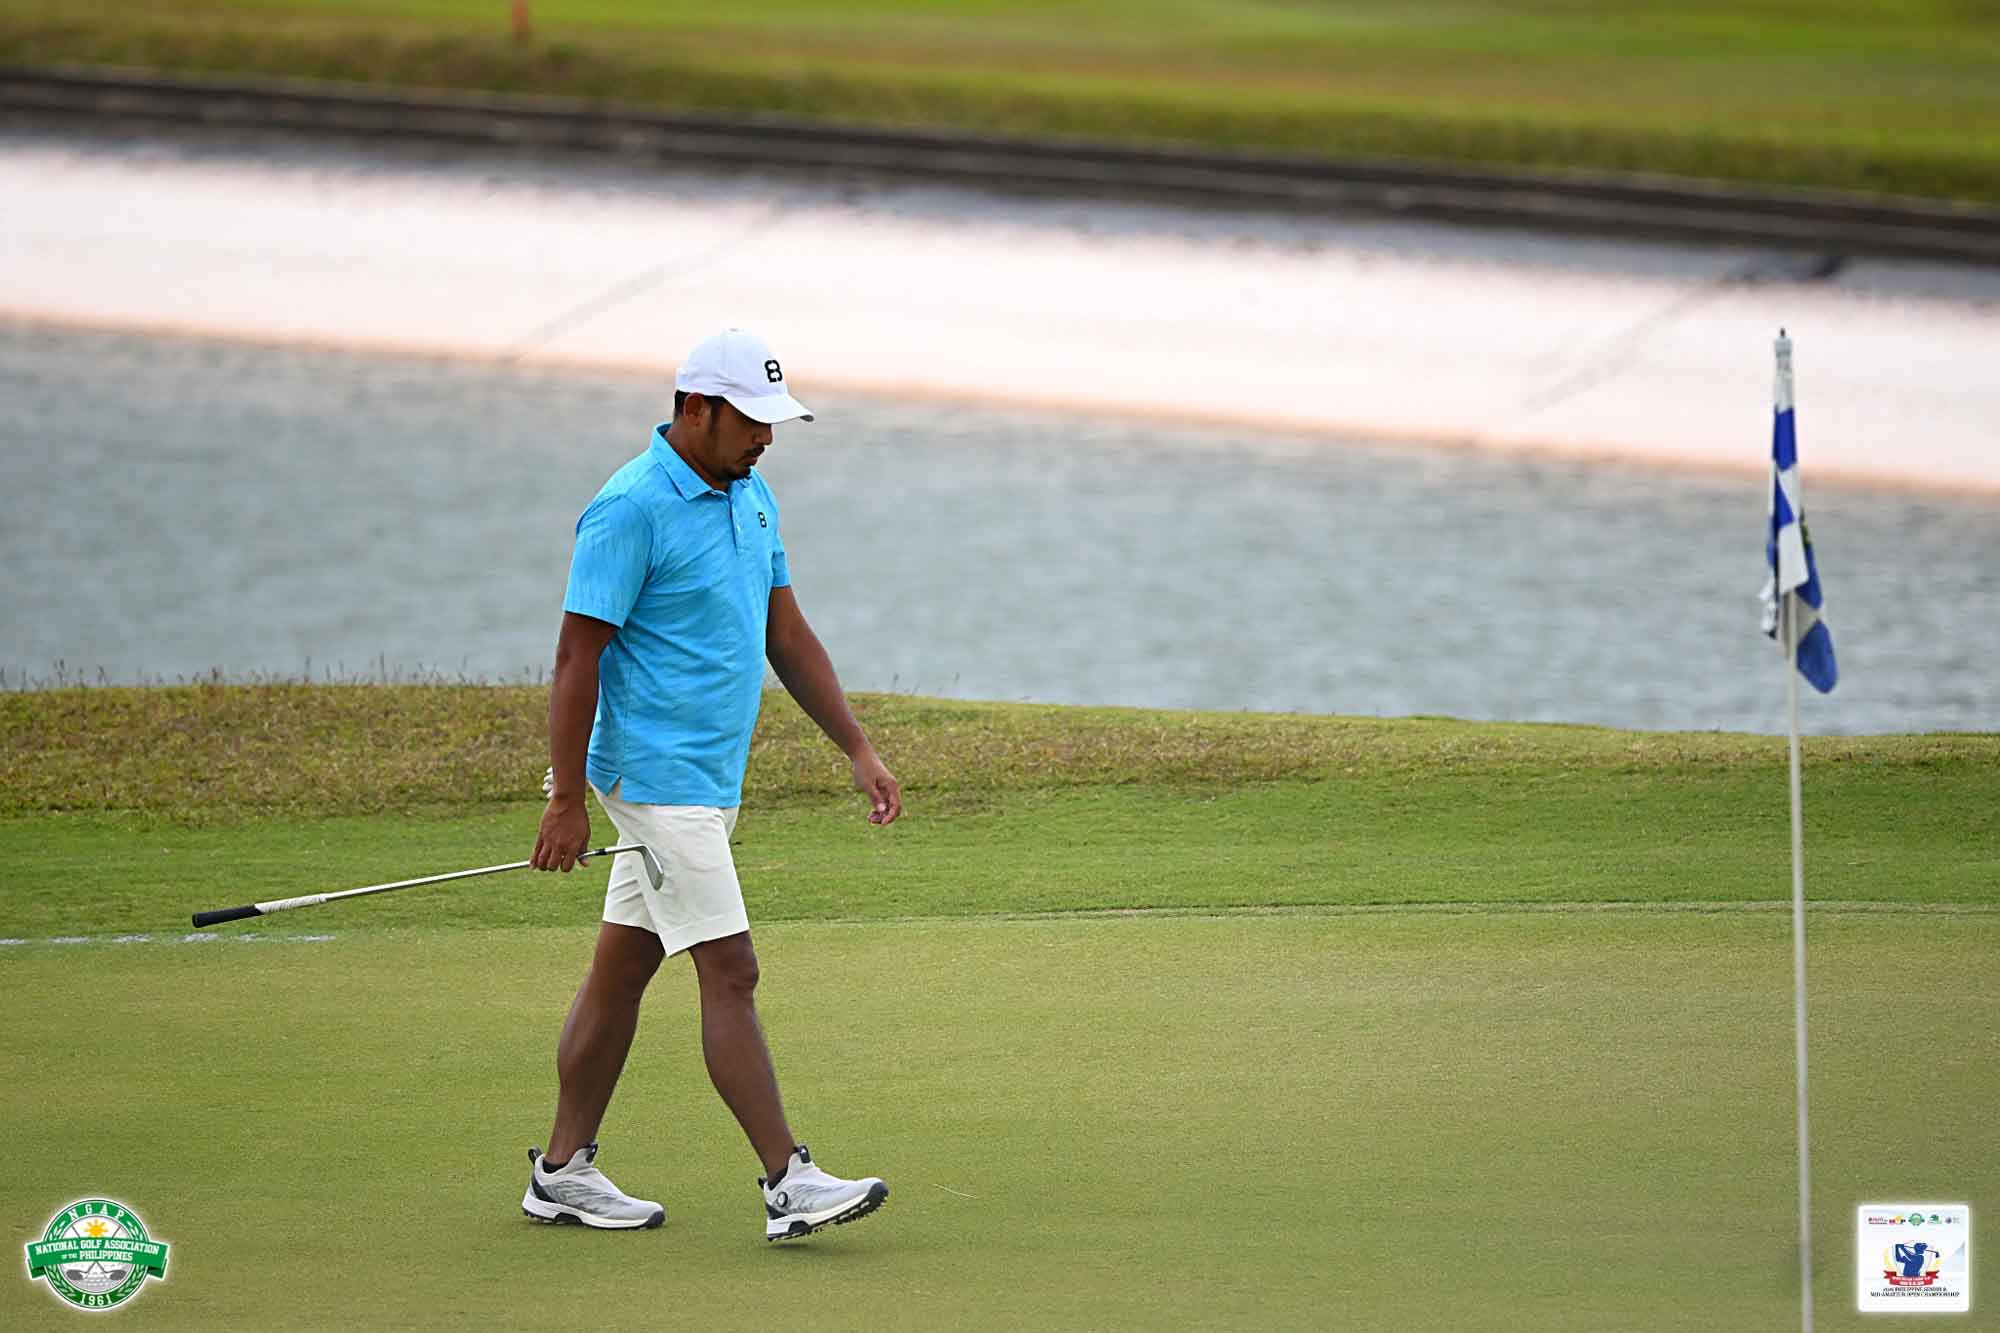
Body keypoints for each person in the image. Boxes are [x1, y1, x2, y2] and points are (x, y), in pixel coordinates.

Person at [523, 328, 902, 1241]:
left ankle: (562, 1171)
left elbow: (786, 634)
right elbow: (577, 657)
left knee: (624, 969)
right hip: (655, 782)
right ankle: (788, 1181)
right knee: (731, 970)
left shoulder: (751, 493)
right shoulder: (628, 508)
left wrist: (856, 745)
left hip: (707, 779)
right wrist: (566, 799)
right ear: (696, 409)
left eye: (773, 421)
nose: (766, 438)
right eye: (751, 420)